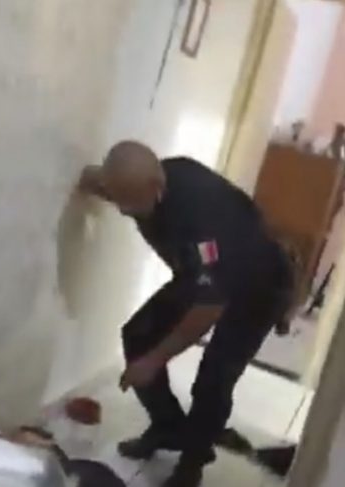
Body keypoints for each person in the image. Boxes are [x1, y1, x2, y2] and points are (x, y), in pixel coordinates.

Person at [77, 141, 293, 487]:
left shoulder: (198, 219)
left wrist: (153, 361)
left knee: (213, 379)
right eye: (118, 200)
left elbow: (209, 306)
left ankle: (191, 465)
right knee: (138, 335)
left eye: (130, 203)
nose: (124, 211)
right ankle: (168, 427)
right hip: (203, 273)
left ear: (156, 188)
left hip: (258, 286)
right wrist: (84, 180)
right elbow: (101, 181)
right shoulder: (142, 183)